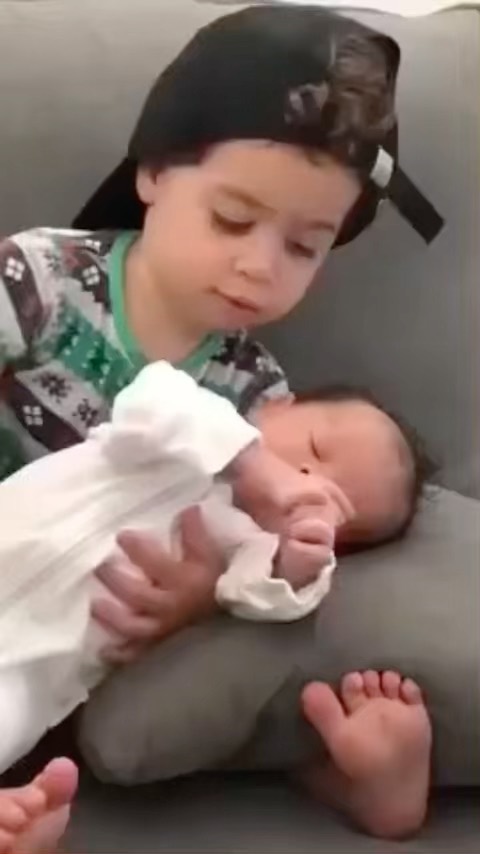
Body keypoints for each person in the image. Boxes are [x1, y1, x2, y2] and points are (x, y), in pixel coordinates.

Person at [0, 3, 442, 844]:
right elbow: (169, 410)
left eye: (304, 247)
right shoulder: (39, 280)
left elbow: (257, 550)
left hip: (73, 642)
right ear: (154, 173)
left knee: (237, 662)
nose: (258, 266)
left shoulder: (258, 388)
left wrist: (202, 597)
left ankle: (356, 770)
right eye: (233, 220)